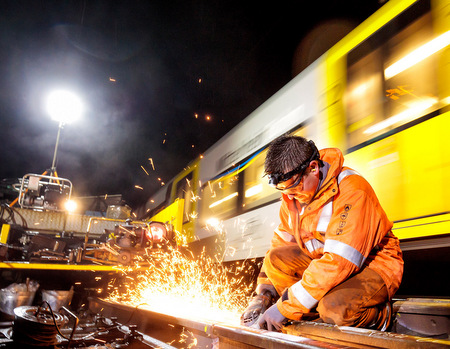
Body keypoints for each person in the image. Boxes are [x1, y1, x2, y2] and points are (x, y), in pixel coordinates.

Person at [240, 135, 404, 332]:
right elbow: (279, 247)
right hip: (326, 263)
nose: (289, 196)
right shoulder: (292, 197)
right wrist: (262, 296)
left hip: (373, 264)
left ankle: (381, 316)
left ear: (313, 168)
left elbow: (338, 262)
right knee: (276, 259)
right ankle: (314, 313)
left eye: (293, 187)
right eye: (282, 190)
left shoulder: (352, 190)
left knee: (335, 309)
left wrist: (285, 307)